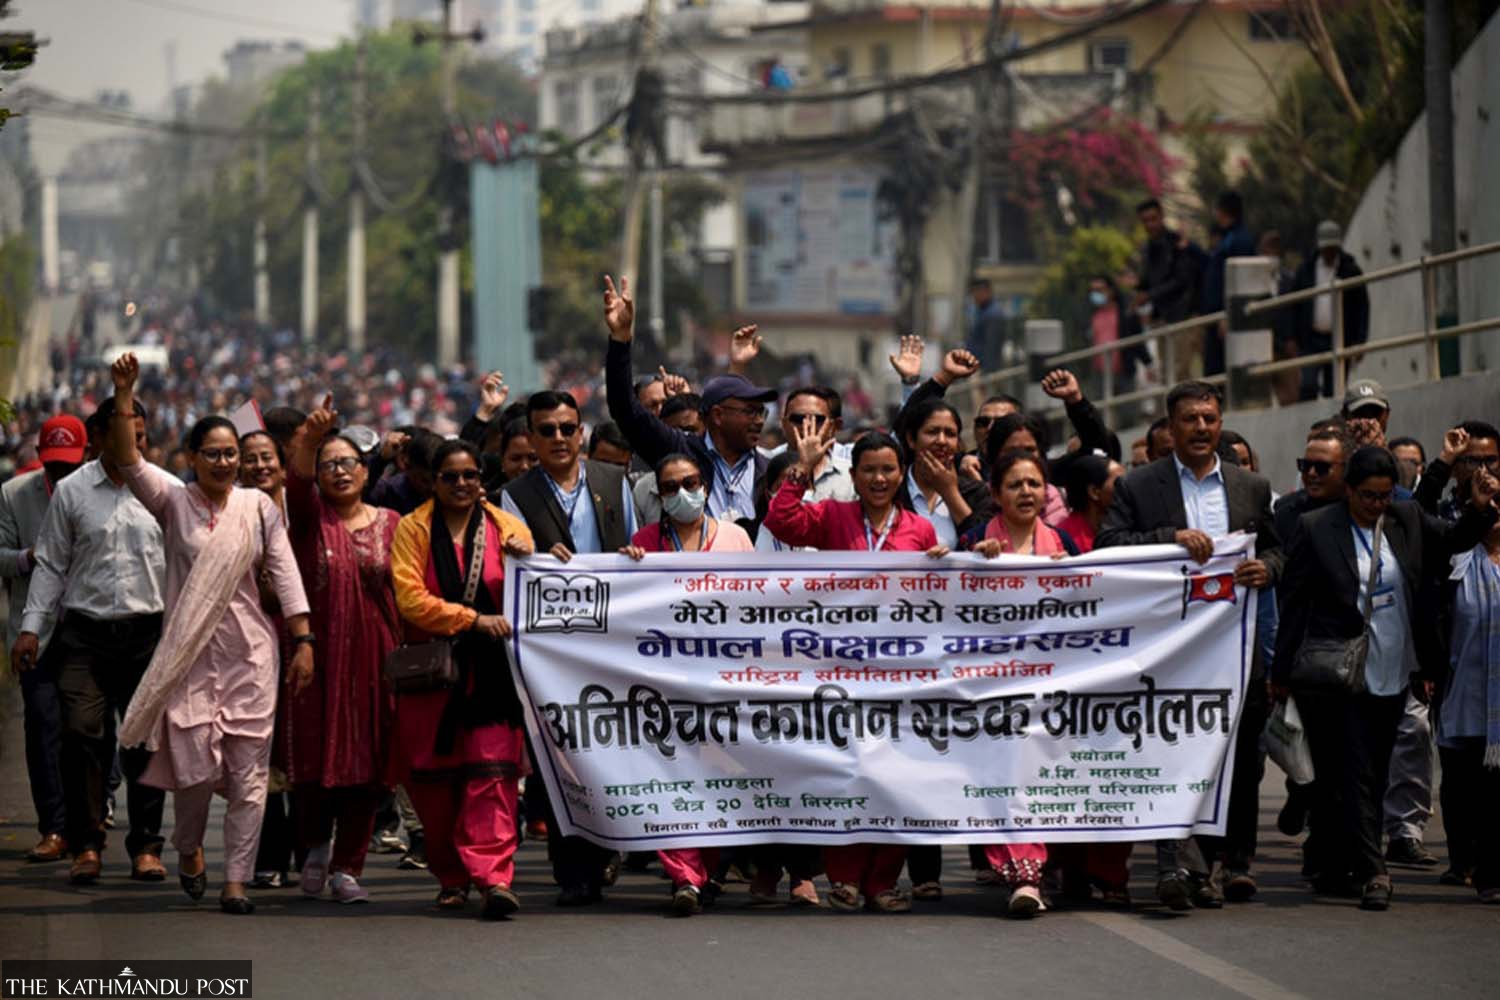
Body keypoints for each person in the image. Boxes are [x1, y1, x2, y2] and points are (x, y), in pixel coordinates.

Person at [108, 353, 314, 916]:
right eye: (214, 454)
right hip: (189, 662)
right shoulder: (172, 501)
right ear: (191, 459)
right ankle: (190, 846)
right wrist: (125, 394)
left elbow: (285, 571)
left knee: (249, 776)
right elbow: (127, 460)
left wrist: (303, 641)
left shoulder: (258, 508)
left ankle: (237, 882)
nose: (225, 462)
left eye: (233, 454)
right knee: (196, 773)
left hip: (251, 657)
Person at [1271, 447, 1498, 910]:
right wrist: (1282, 673)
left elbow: (1454, 540)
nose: (1375, 505)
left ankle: (1337, 862)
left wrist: (1478, 507)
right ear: (1349, 490)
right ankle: (1375, 871)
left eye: (1382, 497)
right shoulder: (1317, 529)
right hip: (1336, 673)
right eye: (1367, 497)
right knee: (1355, 770)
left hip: (1393, 668)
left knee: (1370, 771)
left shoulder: (1406, 518)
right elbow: (1293, 603)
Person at [1096, 380, 1281, 909]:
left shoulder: (1251, 486)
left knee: (1240, 760)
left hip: (1234, 652)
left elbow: (1275, 548)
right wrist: (1168, 539)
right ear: (1170, 427)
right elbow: (1107, 546)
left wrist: (1266, 568)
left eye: (1210, 418)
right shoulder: (1141, 485)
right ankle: (1172, 865)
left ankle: (1229, 864)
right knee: (1171, 754)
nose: (1202, 428)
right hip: (1168, 655)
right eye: (1191, 419)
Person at [764, 428, 949, 913]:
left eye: (888, 469)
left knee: (896, 780)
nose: (879, 478)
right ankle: (844, 879)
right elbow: (781, 520)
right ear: (853, 475)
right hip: (840, 672)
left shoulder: (920, 530)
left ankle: (881, 883)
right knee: (845, 774)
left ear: (901, 473)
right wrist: (801, 469)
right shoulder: (831, 516)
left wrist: (940, 565)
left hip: (901, 675)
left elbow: (936, 601)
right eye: (869, 470)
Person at [12, 397, 170, 886]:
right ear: (99, 438)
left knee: (143, 741)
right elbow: (53, 564)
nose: (133, 444)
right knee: (80, 734)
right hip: (84, 634)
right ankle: (86, 843)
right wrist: (31, 627)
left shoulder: (168, 491)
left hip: (147, 635)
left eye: (140, 436)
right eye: (124, 434)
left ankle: (145, 844)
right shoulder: (73, 492)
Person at [500, 389, 635, 906]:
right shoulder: (515, 494)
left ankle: (608, 851)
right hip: (552, 653)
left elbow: (632, 540)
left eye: (567, 428)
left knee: (613, 753)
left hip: (612, 644)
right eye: (547, 430)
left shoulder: (612, 481)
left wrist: (633, 555)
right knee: (562, 762)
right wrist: (531, 554)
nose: (559, 438)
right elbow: (514, 561)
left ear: (581, 431)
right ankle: (572, 869)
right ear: (532, 437)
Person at [391, 439, 535, 920]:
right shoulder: (411, 529)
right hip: (433, 674)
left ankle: (494, 877)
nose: (461, 484)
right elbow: (409, 598)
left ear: (482, 479)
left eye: (470, 475)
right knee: (435, 785)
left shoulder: (506, 526)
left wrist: (529, 554)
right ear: (433, 481)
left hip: (493, 674)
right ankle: (452, 877)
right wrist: (471, 620)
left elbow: (535, 584)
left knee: (492, 778)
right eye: (450, 477)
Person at [616, 453, 755, 914]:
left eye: (690, 482)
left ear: (706, 484)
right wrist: (626, 568)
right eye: (670, 487)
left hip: (723, 681)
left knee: (713, 780)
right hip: (665, 682)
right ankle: (684, 876)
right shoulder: (645, 542)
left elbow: (758, 606)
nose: (682, 493)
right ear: (659, 496)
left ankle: (708, 869)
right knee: (671, 776)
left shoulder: (735, 537)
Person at [281, 402, 404, 904]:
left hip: (378, 660)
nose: (338, 471)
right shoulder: (308, 521)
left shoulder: (394, 523)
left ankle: (348, 866)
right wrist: (310, 439)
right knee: (312, 759)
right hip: (318, 658)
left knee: (370, 765)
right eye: (328, 464)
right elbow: (295, 486)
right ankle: (314, 848)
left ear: (366, 470)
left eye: (347, 462)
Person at [605, 277, 774, 523]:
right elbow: (625, 409)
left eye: (761, 413)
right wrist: (620, 340)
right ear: (717, 416)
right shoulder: (682, 451)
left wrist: (737, 368)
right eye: (750, 412)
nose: (758, 421)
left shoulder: (769, 468)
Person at [0, 415, 86, 864]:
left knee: (87, 730)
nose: (61, 475)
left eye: (69, 466)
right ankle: (53, 826)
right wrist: (26, 558)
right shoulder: (14, 495)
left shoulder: (101, 492)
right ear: (40, 457)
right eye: (53, 466)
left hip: (88, 629)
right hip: (33, 633)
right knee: (42, 726)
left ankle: (87, 823)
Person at [1435, 483, 1500, 901]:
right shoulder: (1455, 560)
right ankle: (1468, 861)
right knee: (1467, 789)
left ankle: (1492, 872)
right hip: (1464, 693)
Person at [900, 399, 993, 551]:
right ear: (911, 439)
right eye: (932, 432)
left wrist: (950, 493)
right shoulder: (893, 492)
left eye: (950, 434)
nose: (942, 441)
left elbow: (986, 545)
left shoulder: (976, 492)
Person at [1293, 220, 1370, 400]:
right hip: (1310, 339)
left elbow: (1362, 308)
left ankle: (1332, 425)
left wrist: (1360, 341)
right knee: (1308, 385)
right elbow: (1294, 305)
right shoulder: (1306, 270)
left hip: (1340, 338)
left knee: (1334, 388)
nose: (1328, 253)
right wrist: (1292, 337)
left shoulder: (1350, 270)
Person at [1134, 198, 1201, 381]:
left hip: (1181, 314)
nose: (1150, 224)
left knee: (1180, 371)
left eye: (1153, 219)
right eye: (1145, 221)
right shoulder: (1147, 248)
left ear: (1161, 217)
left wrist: (1149, 295)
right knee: (1167, 372)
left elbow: (1182, 280)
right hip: (1161, 317)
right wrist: (1140, 294)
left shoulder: (1176, 243)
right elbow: (1147, 280)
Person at [1200, 191, 1255, 376]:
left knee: (1223, 372)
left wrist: (1227, 312)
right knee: (1213, 372)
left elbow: (1240, 280)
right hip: (1215, 318)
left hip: (1227, 317)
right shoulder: (1227, 238)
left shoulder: (1239, 240)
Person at [982, 412, 1068, 526]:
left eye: (1029, 450)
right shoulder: (980, 501)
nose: (1022, 457)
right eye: (1012, 451)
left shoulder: (1056, 500)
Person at [1087, 273, 1151, 421]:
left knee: (1128, 415)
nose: (1096, 294)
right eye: (1093, 291)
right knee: (1099, 416)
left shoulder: (1126, 312)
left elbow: (1137, 340)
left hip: (1123, 370)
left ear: (1110, 290)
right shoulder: (1093, 315)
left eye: (1100, 289)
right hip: (1100, 373)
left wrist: (1148, 363)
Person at [1416, 423, 1500, 524]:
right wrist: (1445, 458)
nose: (1483, 470)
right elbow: (1416, 514)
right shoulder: (1441, 516)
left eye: (1491, 460)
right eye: (1472, 461)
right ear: (1453, 469)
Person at [1054, 452, 1125, 555]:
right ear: (1094, 492)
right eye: (1120, 483)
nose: (1127, 487)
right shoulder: (1060, 540)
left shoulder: (1128, 531)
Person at [239, 430, 286, 516]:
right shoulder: (232, 510)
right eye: (250, 460)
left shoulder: (298, 502)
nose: (260, 466)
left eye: (266, 458)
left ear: (282, 467)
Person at [966, 277, 1007, 369]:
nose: (974, 296)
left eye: (977, 292)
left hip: (983, 369)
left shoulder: (993, 314)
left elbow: (991, 347)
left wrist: (987, 373)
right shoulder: (981, 311)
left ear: (986, 291)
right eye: (973, 292)